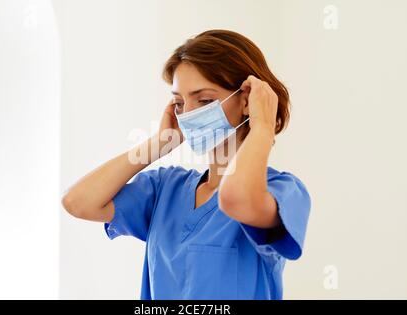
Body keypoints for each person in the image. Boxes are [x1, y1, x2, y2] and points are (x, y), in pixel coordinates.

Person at [62, 29, 311, 300]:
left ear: (246, 101)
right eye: (179, 103)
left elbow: (235, 199)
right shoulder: (165, 188)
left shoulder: (283, 191)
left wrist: (263, 126)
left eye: (204, 100)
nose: (189, 114)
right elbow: (78, 202)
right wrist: (159, 143)